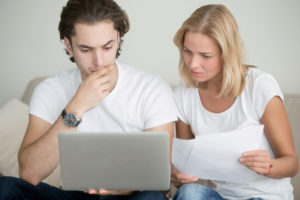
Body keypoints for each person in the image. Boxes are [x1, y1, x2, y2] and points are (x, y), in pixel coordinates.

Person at [0, 0, 177, 199]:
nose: (99, 62)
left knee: (152, 197)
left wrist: (122, 187)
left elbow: (160, 182)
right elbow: (29, 173)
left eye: (107, 47)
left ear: (118, 39)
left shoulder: (151, 88)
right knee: (6, 188)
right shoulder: (50, 89)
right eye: (86, 50)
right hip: (77, 195)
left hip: (130, 194)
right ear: (68, 45)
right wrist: (77, 107)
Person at [171, 4, 299, 200]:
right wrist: (177, 175)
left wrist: (269, 166)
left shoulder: (259, 86)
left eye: (205, 56)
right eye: (188, 52)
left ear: (226, 53)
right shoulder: (183, 93)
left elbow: (292, 164)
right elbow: (187, 167)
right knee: (189, 193)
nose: (193, 64)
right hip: (220, 196)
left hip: (265, 196)